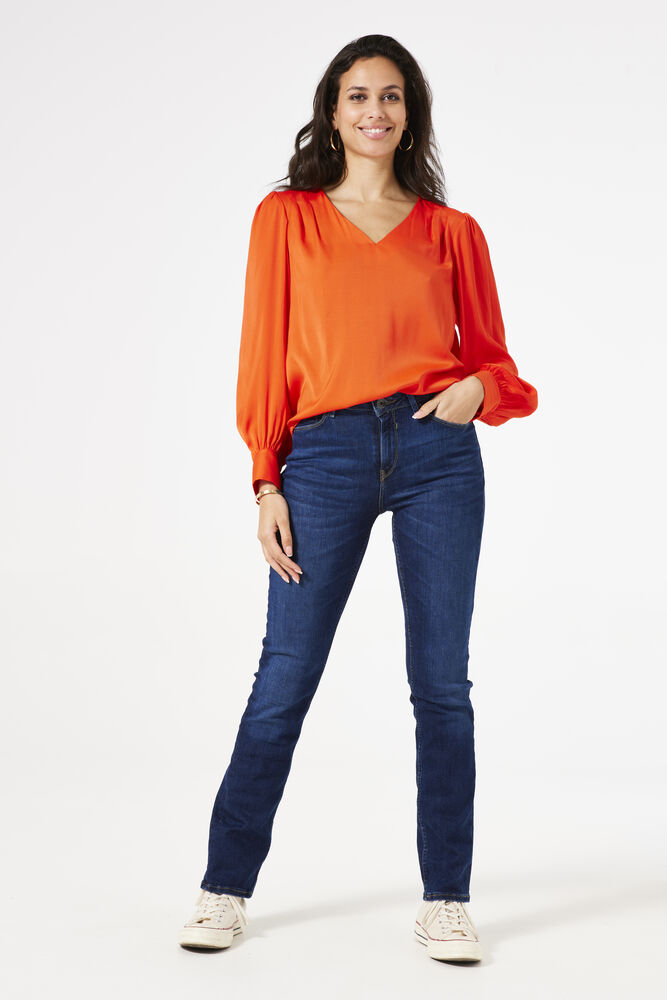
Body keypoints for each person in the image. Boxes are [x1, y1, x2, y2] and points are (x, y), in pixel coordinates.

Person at [178, 33, 538, 964]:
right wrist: (265, 476)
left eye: (390, 96)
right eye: (357, 96)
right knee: (284, 677)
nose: (374, 111)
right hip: (324, 457)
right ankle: (224, 887)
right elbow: (263, 352)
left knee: (441, 684)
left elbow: (497, 364)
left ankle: (446, 898)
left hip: (436, 453)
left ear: (409, 114)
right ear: (331, 113)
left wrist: (476, 391)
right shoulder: (286, 219)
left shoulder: (452, 232)